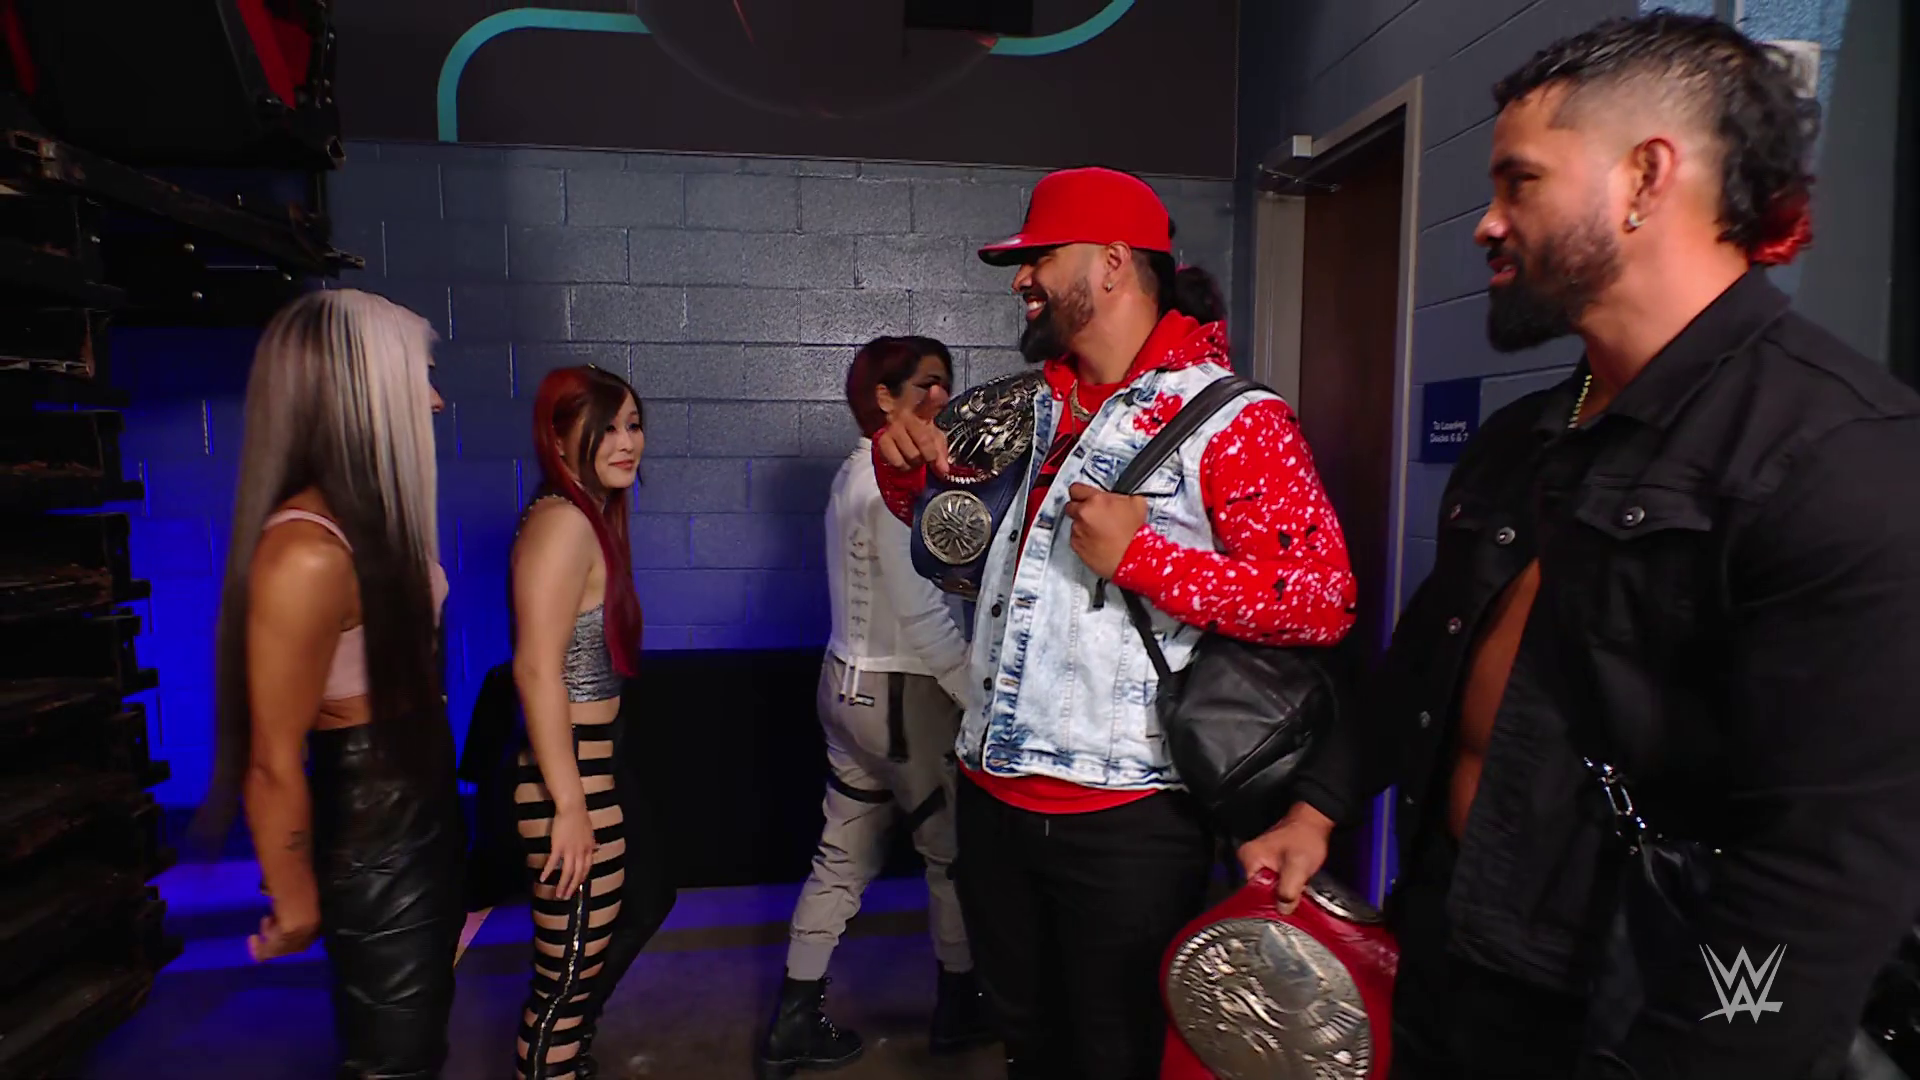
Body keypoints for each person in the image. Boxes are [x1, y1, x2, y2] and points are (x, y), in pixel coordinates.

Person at [1241, 13, 1920, 1079]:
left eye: (1520, 182)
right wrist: (1321, 804)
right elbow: (1428, 655)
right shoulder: (1527, 437)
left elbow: (1823, 875)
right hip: (1449, 944)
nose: (1486, 223)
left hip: (1620, 1009)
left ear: (1646, 178)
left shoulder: (1837, 452)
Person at [872, 167, 1358, 1080]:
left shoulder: (1235, 421)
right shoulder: (1023, 408)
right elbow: (965, 548)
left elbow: (1320, 599)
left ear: (1111, 262)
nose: (1021, 280)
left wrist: (1144, 558)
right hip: (992, 795)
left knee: (1116, 1058)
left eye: (1039, 258)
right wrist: (908, 473)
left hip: (1127, 820)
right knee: (1029, 1051)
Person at [202, 289, 461, 1079]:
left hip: (417, 798)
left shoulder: (366, 521)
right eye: (416, 377)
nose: (435, 400)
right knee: (393, 1062)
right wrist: (294, 894)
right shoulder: (305, 554)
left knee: (415, 1046)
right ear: (356, 395)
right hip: (375, 821)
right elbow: (271, 756)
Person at [757, 335, 990, 1078]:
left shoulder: (853, 470)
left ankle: (793, 1019)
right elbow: (920, 613)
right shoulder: (886, 483)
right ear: (882, 398)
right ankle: (959, 1008)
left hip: (846, 689)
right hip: (899, 696)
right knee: (950, 859)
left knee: (841, 858)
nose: (940, 399)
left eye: (946, 383)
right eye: (924, 385)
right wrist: (975, 695)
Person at [510, 365, 676, 1080]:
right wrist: (570, 806)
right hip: (569, 771)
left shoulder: (585, 516)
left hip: (597, 759)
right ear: (558, 437)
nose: (626, 441)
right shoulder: (564, 523)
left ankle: (568, 1055)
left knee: (642, 900)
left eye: (633, 425)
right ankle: (554, 1062)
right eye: (605, 428)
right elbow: (534, 670)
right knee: (564, 980)